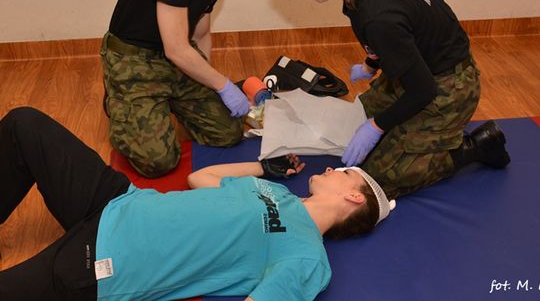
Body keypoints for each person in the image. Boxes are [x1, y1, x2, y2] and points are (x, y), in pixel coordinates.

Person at [0, 107, 393, 300]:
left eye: (346, 173)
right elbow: (199, 179)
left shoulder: (307, 257)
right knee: (24, 125)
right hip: (118, 200)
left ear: (353, 196)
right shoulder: (281, 196)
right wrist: (262, 167)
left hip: (110, 259)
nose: (336, 169)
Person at [270, 0, 511, 199]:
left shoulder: (377, 14)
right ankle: (411, 135)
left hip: (449, 87)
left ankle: (473, 147)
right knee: (355, 117)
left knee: (375, 181)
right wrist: (370, 65)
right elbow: (398, 31)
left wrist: (376, 127)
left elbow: (423, 90)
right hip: (418, 65)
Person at [100, 0, 283, 178]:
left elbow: (201, 33)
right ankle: (120, 103)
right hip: (133, 61)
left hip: (176, 58)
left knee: (227, 132)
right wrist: (222, 85)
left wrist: (204, 86)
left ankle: (168, 102)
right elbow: (176, 49)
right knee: (158, 161)